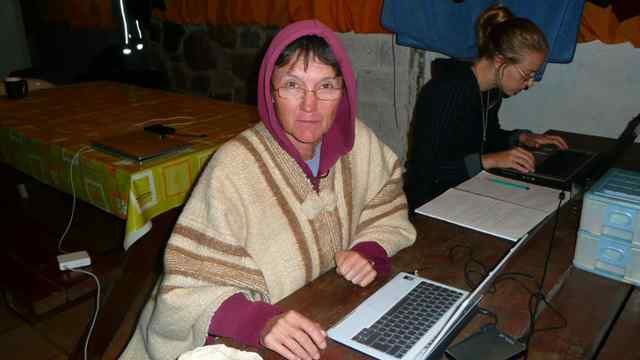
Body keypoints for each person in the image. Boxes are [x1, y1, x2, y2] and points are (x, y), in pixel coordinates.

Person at [121, 20, 416, 360]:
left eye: (326, 86)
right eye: (292, 85)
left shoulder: (359, 143)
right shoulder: (234, 167)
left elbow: (386, 196)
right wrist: (260, 322)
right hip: (232, 341)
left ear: (344, 92)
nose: (310, 105)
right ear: (270, 92)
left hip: (330, 314)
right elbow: (185, 289)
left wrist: (369, 250)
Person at [404, 4, 568, 211]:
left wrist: (521, 138)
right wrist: (488, 160)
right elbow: (427, 169)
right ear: (500, 61)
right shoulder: (446, 91)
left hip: (465, 190)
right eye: (526, 74)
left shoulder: (490, 91)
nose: (529, 84)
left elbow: (485, 138)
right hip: (429, 202)